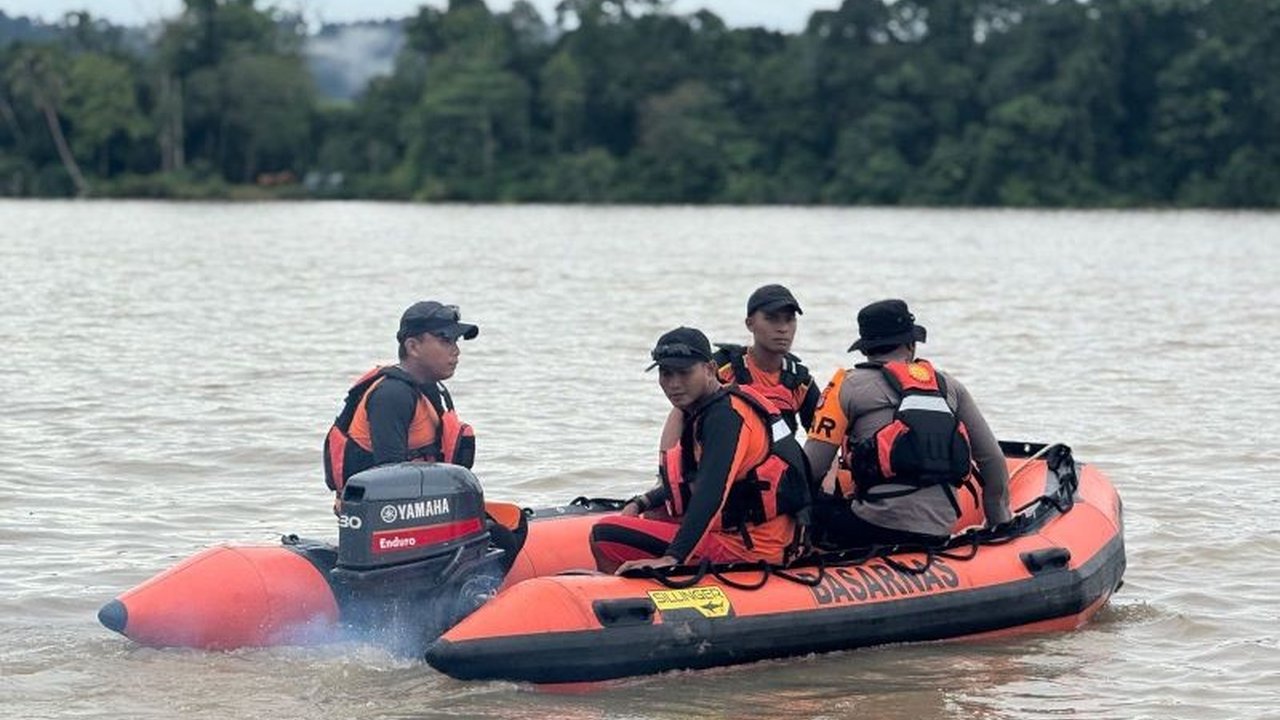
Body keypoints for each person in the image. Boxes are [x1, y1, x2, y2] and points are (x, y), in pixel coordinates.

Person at [590, 327, 813, 574]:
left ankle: (616, 599)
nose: (673, 384)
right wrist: (642, 501)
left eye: (684, 373)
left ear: (709, 369)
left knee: (604, 534)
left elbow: (711, 492)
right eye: (666, 373)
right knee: (656, 511)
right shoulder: (709, 407)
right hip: (747, 532)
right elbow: (691, 479)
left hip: (751, 545)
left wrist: (672, 558)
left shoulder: (725, 417)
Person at [803, 299, 1011, 548]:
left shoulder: (846, 386)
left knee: (819, 508)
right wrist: (998, 524)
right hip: (940, 528)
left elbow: (810, 469)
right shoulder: (950, 387)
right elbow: (993, 460)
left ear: (865, 349)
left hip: (872, 525)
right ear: (911, 346)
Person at [322, 301, 479, 496]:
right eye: (446, 340)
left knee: (510, 523)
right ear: (413, 347)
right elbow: (391, 481)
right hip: (388, 514)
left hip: (427, 504)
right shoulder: (392, 395)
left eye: (456, 341)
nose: (456, 350)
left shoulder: (430, 389)